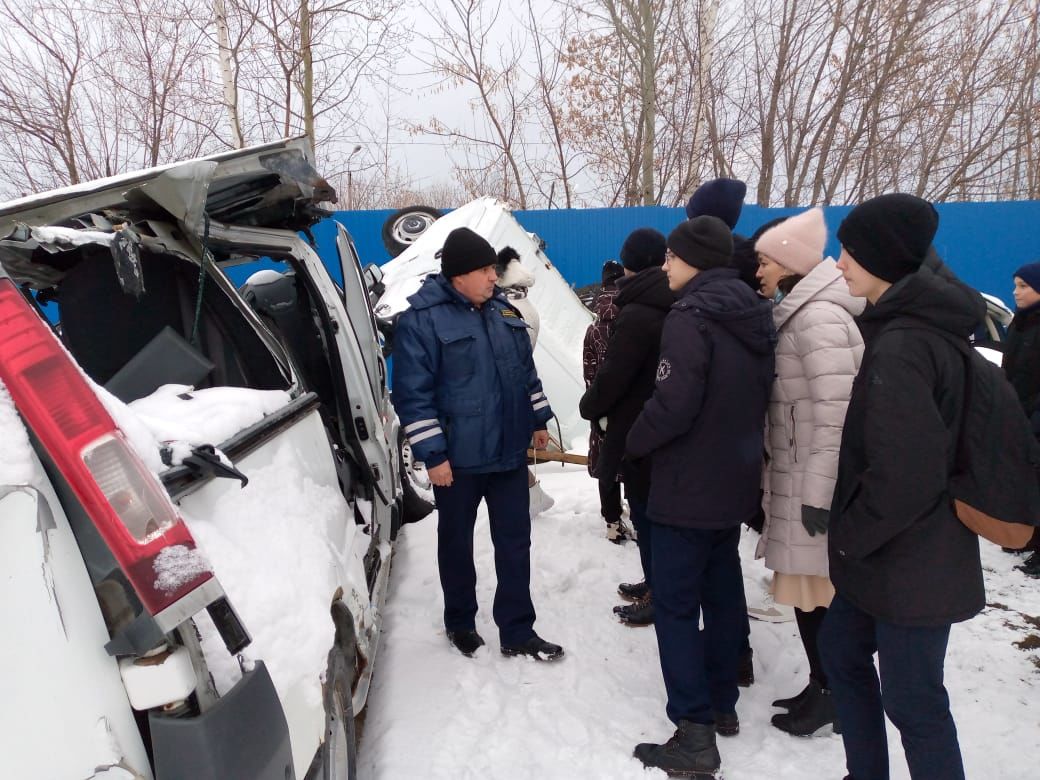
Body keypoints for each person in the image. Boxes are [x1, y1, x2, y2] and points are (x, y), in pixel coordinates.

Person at [820, 193, 985, 780]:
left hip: (915, 558)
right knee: (841, 652)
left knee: (914, 700)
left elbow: (904, 476)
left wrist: (846, 537)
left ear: (885, 260)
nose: (839, 263)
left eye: (851, 252)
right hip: (888, 557)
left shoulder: (905, 345)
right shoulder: (902, 329)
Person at [627, 216, 776, 777]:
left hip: (685, 486)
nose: (665, 266)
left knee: (675, 605)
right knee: (720, 593)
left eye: (671, 256)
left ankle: (694, 732)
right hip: (731, 484)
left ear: (695, 261)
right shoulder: (754, 314)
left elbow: (674, 403)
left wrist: (633, 446)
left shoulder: (690, 317)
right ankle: (721, 705)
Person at [392, 226, 564, 661]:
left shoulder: (504, 313)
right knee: (456, 543)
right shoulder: (421, 320)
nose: (494, 277)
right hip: (457, 460)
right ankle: (461, 622)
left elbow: (526, 373)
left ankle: (518, 629)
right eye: (486, 269)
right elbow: (413, 396)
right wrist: (433, 456)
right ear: (460, 275)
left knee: (515, 542)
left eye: (493, 269)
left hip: (507, 453)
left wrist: (539, 417)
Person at [753, 207, 864, 736]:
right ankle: (824, 684)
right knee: (805, 594)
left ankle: (836, 693)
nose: (758, 271)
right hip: (797, 477)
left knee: (817, 595)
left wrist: (817, 497)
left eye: (765, 261)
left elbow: (835, 417)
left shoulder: (819, 319)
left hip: (811, 485)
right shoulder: (800, 312)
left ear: (789, 262)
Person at [580, 228, 672, 626]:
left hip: (638, 429)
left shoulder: (638, 312)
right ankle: (655, 580)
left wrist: (591, 406)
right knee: (649, 513)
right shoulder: (664, 300)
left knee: (650, 515)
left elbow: (613, 375)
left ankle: (660, 590)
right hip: (655, 426)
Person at [582, 259, 631, 542]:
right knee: (634, 462)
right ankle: (637, 514)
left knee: (608, 464)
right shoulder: (636, 318)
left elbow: (589, 372)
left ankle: (612, 522)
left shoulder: (594, 329)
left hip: (604, 408)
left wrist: (596, 405)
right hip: (634, 407)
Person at [1003, 260, 1040, 577]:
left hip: (1036, 419)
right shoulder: (1020, 323)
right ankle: (1028, 538)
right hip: (1019, 415)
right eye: (1015, 285)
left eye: (1023, 286)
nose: (1016, 292)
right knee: (1025, 483)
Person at [685, 177, 758, 290]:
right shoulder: (748, 261)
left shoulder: (704, 266)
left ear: (702, 222)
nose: (685, 222)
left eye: (689, 217)